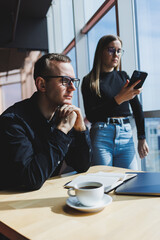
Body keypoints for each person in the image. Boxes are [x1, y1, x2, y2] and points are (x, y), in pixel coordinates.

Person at [0, 53, 92, 191]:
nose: (73, 88)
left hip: (45, 195)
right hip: (13, 203)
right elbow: (31, 179)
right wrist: (61, 131)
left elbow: (82, 165)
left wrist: (80, 130)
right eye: (65, 81)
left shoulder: (63, 115)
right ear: (42, 84)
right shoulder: (12, 122)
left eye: (74, 81)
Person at [82, 35, 149, 169]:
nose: (116, 54)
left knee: (130, 180)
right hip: (101, 135)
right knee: (105, 183)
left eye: (119, 51)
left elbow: (137, 108)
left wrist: (142, 137)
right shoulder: (89, 80)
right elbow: (91, 115)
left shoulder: (123, 77)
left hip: (126, 134)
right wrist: (119, 99)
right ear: (101, 51)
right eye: (111, 50)